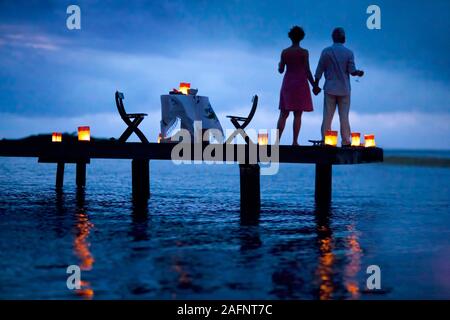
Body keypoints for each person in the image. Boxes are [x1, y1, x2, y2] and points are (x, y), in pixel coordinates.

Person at [314, 27, 364, 146]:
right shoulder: (349, 53)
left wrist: (316, 85)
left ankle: (326, 141)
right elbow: (352, 71)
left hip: (330, 88)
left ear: (333, 37)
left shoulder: (326, 51)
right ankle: (346, 141)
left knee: (327, 117)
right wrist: (358, 72)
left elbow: (319, 70)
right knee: (344, 117)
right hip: (344, 89)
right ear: (343, 38)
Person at [277, 26, 319, 145]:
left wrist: (279, 64)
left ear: (290, 37)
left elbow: (281, 70)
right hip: (300, 84)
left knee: (283, 114)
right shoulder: (304, 52)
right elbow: (307, 70)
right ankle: (295, 141)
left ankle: (277, 141)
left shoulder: (285, 52)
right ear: (301, 37)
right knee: (298, 114)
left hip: (288, 83)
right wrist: (314, 85)